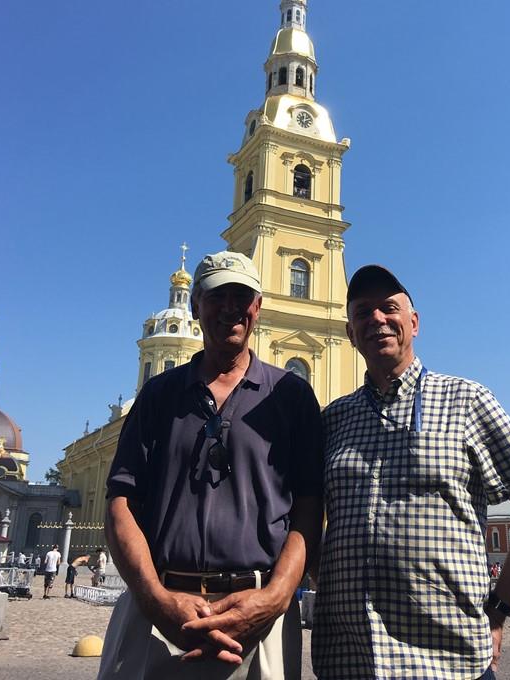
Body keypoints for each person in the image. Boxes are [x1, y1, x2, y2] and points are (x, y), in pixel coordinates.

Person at [312, 265, 510, 680]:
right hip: (348, 658)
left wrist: (500, 610)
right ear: (349, 332)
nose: (377, 319)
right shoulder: (334, 420)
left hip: (446, 661)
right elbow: (308, 522)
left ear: (413, 323)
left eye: (389, 308)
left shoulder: (466, 400)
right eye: (363, 312)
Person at [98, 251, 324, 679]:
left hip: (261, 619)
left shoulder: (292, 396)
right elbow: (120, 502)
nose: (230, 308)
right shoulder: (159, 395)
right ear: (196, 304)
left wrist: (276, 597)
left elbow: (309, 506)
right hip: (157, 613)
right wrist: (155, 599)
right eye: (218, 296)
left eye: (242, 297)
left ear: (257, 307)